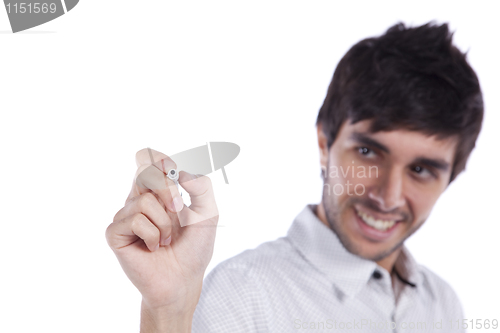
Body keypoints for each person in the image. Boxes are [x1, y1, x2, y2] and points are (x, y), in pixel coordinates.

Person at [105, 21, 483, 332]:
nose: (388, 196)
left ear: (453, 176)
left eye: (420, 170)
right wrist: (170, 312)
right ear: (324, 142)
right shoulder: (241, 295)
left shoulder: (443, 304)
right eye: (368, 152)